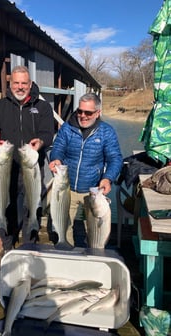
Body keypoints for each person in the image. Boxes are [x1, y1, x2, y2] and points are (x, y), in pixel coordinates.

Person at [0, 65, 54, 252]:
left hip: (31, 170)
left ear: (30, 84)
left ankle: (29, 245)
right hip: (6, 169)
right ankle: (7, 247)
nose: (20, 87)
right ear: (10, 83)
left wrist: (41, 142)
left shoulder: (43, 107)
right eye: (16, 83)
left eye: (24, 83)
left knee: (32, 208)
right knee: (4, 208)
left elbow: (48, 134)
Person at [49, 92, 123, 247]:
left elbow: (115, 159)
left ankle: (93, 256)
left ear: (98, 113)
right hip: (67, 188)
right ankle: (65, 252)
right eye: (80, 111)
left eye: (88, 112)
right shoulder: (67, 128)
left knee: (95, 232)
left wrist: (108, 178)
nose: (82, 116)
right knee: (62, 227)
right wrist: (56, 158)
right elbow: (58, 148)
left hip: (93, 191)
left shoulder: (106, 132)